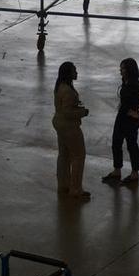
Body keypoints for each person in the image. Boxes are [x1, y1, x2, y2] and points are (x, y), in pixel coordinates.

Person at [102, 58, 139, 184]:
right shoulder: (126, 81)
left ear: (129, 70)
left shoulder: (135, 84)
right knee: (116, 142)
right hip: (122, 116)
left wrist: (137, 114)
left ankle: (134, 173)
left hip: (130, 120)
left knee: (131, 145)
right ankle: (117, 170)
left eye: (122, 68)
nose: (120, 71)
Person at [53, 61, 91, 200]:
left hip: (59, 124)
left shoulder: (59, 87)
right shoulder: (68, 91)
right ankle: (75, 188)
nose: (76, 72)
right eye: (74, 70)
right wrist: (83, 112)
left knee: (63, 155)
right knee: (78, 156)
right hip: (69, 126)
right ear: (68, 73)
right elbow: (68, 112)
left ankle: (63, 185)